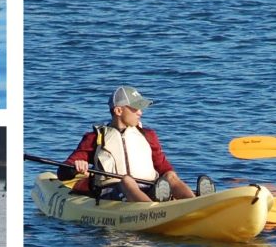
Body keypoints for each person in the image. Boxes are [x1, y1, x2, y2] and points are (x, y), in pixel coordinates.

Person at [58, 86, 204, 201]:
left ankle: (196, 204)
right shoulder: (95, 137)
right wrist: (75, 167)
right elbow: (63, 172)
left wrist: (172, 182)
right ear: (118, 110)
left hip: (148, 188)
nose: (140, 112)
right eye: (135, 108)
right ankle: (151, 211)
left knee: (171, 176)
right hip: (114, 192)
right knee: (126, 180)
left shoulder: (148, 135)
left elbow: (165, 169)